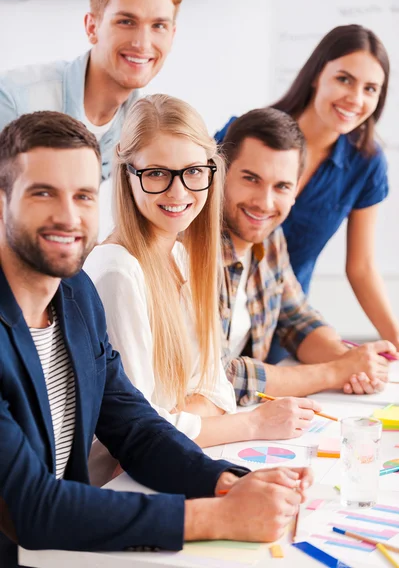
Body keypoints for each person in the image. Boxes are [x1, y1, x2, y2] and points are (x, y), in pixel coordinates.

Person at [0, 111, 313, 568]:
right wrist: (216, 517)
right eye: (42, 193)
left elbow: (135, 427)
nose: (69, 216)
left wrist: (226, 481)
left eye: (84, 195)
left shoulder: (75, 295)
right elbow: (32, 508)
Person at [84, 94, 321, 446]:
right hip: (117, 482)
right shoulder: (118, 270)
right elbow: (142, 431)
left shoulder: (180, 255)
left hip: (177, 459)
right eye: (157, 173)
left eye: (194, 171)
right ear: (127, 174)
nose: (178, 191)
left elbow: (218, 389)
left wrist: (181, 415)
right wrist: (252, 424)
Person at [216, 24, 399, 366]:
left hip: (283, 316)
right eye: (344, 79)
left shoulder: (366, 163)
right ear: (317, 75)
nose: (355, 99)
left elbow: (362, 266)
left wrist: (394, 343)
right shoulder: (249, 134)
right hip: (212, 307)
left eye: (370, 89)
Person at [220, 107, 397, 404]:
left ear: (295, 191)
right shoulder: (190, 248)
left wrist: (356, 362)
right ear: (222, 172)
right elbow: (218, 378)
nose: (265, 203)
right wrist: (335, 372)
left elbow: (297, 320)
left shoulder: (270, 236)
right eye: (251, 179)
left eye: (282, 187)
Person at [0, 0, 182, 180]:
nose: (142, 43)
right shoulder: (13, 100)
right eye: (126, 22)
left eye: (159, 25)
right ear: (92, 27)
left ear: (172, 35)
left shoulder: (141, 131)